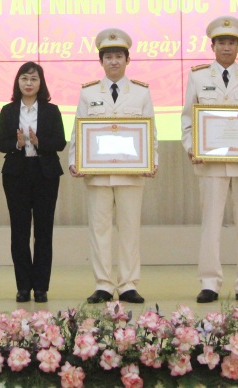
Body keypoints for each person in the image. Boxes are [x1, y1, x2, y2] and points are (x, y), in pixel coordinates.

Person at [181, 15, 238, 305]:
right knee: (211, 224)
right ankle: (209, 282)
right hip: (210, 163)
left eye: (231, 42)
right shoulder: (197, 76)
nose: (226, 47)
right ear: (212, 46)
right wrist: (191, 147)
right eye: (221, 42)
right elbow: (188, 119)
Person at [69, 28, 157, 305]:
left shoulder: (141, 93)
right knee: (100, 229)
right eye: (108, 57)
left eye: (119, 56)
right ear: (101, 61)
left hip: (132, 173)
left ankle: (129, 284)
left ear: (127, 60)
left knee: (130, 228)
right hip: (97, 174)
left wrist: (152, 161)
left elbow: (151, 132)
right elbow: (78, 131)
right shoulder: (89, 93)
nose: (114, 61)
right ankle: (104, 284)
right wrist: (74, 161)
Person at [0, 62, 66, 304]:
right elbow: (0, 143)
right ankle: (23, 287)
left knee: (44, 233)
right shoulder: (7, 110)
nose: (28, 83)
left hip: (45, 174)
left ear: (41, 83)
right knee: (20, 231)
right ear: (17, 82)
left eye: (33, 79)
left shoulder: (51, 110)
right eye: (24, 78)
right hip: (16, 174)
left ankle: (41, 288)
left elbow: (60, 142)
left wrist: (38, 141)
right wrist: (17, 144)